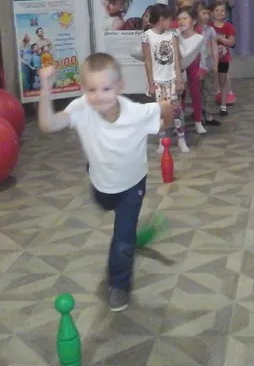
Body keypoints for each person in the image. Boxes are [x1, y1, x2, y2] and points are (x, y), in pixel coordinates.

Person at [37, 53, 174, 311]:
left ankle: (118, 285)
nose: (99, 96)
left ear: (120, 87)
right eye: (91, 89)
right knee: (106, 204)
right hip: (101, 183)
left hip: (133, 184)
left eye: (106, 89)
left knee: (122, 236)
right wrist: (46, 86)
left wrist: (164, 122)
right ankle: (128, 234)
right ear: (83, 88)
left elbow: (165, 109)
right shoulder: (81, 108)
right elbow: (48, 125)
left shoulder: (137, 112)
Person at [141, 4, 189, 153]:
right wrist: (151, 83)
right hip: (158, 82)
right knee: (160, 112)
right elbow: (148, 61)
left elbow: (176, 58)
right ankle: (162, 141)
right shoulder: (146, 36)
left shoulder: (172, 34)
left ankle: (181, 139)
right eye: (169, 19)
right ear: (162, 19)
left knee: (176, 110)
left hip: (172, 80)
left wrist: (179, 79)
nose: (172, 22)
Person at [176, 5, 206, 134]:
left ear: (193, 21)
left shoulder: (199, 37)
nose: (181, 21)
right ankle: (180, 123)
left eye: (185, 18)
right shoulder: (176, 35)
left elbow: (203, 53)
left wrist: (202, 68)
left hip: (194, 64)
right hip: (179, 66)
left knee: (195, 93)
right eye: (179, 19)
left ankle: (198, 121)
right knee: (179, 94)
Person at [195, 2, 221, 126]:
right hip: (195, 66)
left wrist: (216, 64)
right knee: (196, 92)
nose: (206, 16)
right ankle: (197, 115)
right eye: (203, 13)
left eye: (207, 13)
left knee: (207, 91)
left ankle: (208, 115)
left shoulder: (210, 30)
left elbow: (214, 47)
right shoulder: (191, 29)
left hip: (207, 65)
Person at [209, 2, 236, 116]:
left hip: (223, 60)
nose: (219, 13)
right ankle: (207, 105)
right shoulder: (209, 27)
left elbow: (232, 42)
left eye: (222, 10)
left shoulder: (228, 27)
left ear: (226, 13)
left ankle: (223, 105)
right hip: (209, 60)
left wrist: (221, 39)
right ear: (211, 13)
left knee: (223, 82)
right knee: (208, 83)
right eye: (217, 10)